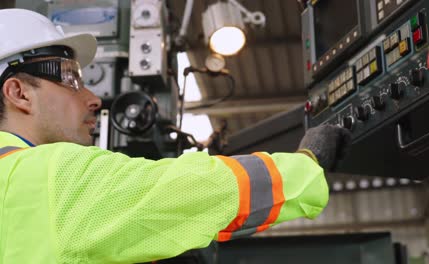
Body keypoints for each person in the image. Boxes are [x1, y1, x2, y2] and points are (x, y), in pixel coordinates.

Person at [0, 8, 351, 263]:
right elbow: (192, 191)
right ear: (18, 93)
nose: (93, 98)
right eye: (71, 78)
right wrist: (306, 166)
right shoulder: (45, 178)